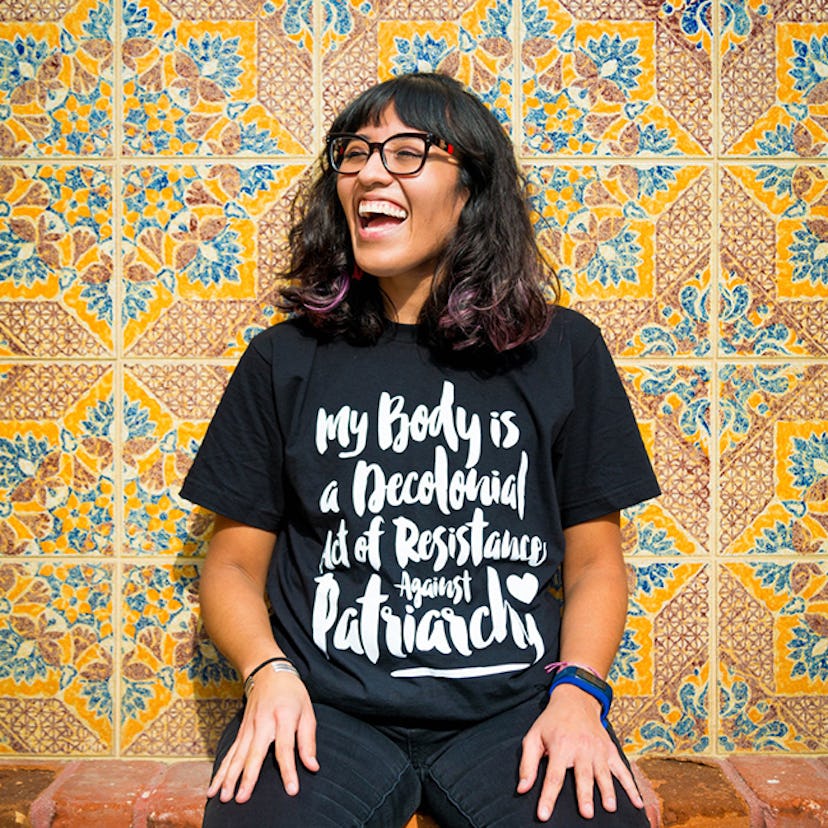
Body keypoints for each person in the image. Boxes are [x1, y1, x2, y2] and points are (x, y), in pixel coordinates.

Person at [181, 71, 660, 828]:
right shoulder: (285, 360)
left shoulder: (562, 350)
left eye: (407, 152)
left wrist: (580, 693)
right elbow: (233, 563)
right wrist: (268, 674)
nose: (371, 170)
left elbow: (596, 560)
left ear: (471, 188)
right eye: (356, 152)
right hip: (326, 715)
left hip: (515, 715)